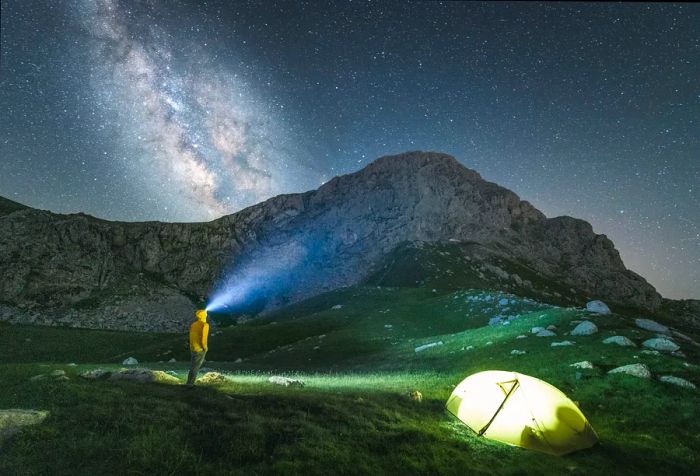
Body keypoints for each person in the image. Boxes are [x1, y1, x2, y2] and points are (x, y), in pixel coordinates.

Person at [186, 309, 209, 387]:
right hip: (199, 349)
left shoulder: (193, 324)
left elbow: (190, 336)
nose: (206, 315)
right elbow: (204, 339)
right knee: (196, 367)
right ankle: (190, 384)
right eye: (205, 314)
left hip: (193, 348)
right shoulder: (205, 325)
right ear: (203, 316)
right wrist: (205, 348)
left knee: (193, 366)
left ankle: (189, 382)